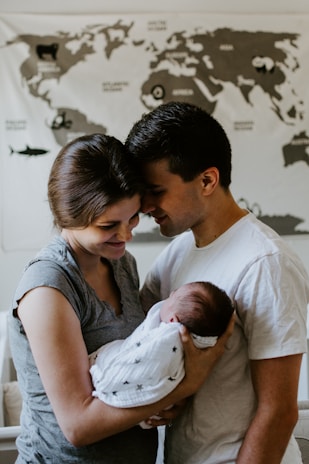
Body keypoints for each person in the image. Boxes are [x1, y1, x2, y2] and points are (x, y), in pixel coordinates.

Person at [8, 133, 233, 464]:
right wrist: (185, 385)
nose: (126, 235)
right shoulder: (48, 287)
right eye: (109, 225)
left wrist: (161, 402)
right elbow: (78, 426)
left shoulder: (121, 263)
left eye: (132, 218)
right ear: (68, 216)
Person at [125, 101, 309, 464]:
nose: (144, 206)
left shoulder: (266, 263)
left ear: (207, 180)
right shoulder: (178, 252)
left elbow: (278, 413)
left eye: (156, 191)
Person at [89, 281, 234, 423]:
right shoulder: (204, 338)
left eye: (172, 297)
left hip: (127, 407)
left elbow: (146, 359)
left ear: (172, 320)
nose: (170, 294)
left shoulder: (167, 341)